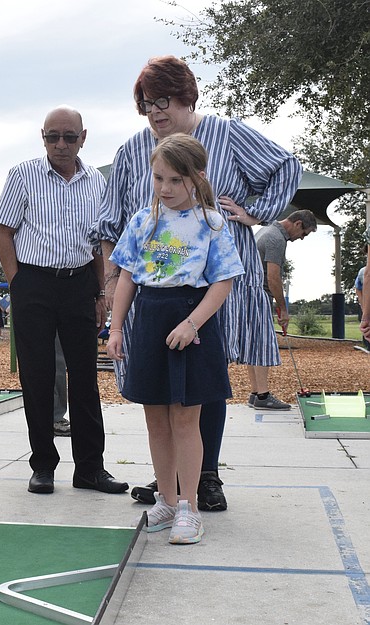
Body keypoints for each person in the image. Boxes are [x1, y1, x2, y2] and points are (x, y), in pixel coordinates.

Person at [95, 55, 302, 511]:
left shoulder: (226, 134)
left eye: (163, 101)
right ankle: (167, 483)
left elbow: (288, 165)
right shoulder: (133, 150)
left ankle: (206, 478)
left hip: (215, 277)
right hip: (149, 283)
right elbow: (111, 221)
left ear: (188, 97)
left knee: (203, 381)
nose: (155, 112)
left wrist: (256, 213)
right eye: (146, 104)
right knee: (160, 387)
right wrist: (112, 285)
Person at [107, 133, 244, 544]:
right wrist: (115, 328)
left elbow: (223, 283)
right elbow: (127, 277)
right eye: (159, 178)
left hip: (192, 321)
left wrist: (193, 323)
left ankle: (189, 508)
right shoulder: (142, 221)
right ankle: (166, 501)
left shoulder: (212, 223)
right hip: (150, 318)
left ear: (197, 177)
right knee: (155, 417)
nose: (165, 189)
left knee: (186, 418)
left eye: (175, 181)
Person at [0, 105, 127, 496]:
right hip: (33, 281)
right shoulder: (22, 175)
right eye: (53, 137)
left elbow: (102, 243)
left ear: (83, 138)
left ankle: (90, 467)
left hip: (80, 283)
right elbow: (5, 233)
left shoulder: (97, 183)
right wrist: (17, 282)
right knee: (37, 378)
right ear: (43, 137)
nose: (61, 144)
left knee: (85, 377)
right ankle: (43, 466)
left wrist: (101, 291)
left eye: (70, 137)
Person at [249, 210, 317, 409]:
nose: (301, 238)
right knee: (262, 344)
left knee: (254, 344)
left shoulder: (265, 230)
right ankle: (262, 396)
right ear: (297, 224)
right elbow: (273, 277)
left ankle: (255, 394)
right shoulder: (276, 238)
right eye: (304, 234)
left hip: (250, 293)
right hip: (259, 294)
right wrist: (283, 308)